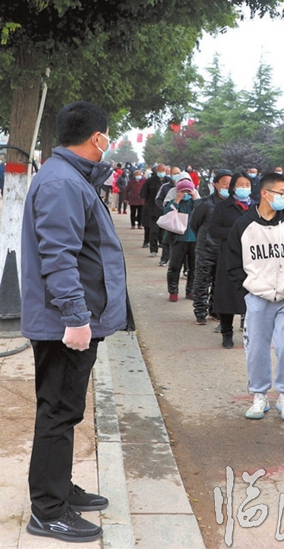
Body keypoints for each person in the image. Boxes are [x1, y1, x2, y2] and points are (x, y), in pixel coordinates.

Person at [20, 101, 134, 543]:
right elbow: (58, 256)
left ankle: (58, 487)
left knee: (65, 409)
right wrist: (75, 317)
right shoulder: (63, 182)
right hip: (63, 324)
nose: (109, 142)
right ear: (96, 137)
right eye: (108, 136)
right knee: (57, 412)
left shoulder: (69, 177)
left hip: (70, 319)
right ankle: (48, 510)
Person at [227, 173, 284, 420]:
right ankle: (259, 395)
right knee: (257, 349)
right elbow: (232, 262)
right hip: (257, 297)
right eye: (281, 193)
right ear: (265, 193)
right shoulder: (243, 226)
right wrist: (247, 289)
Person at [209, 172, 252, 348]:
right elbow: (213, 230)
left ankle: (250, 332)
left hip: (252, 258)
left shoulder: (256, 206)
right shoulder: (223, 207)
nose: (244, 188)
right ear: (233, 187)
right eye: (240, 185)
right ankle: (227, 333)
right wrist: (236, 233)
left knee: (251, 296)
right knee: (227, 296)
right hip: (229, 256)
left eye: (247, 185)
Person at [191, 169, 232, 325]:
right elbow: (194, 224)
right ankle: (200, 311)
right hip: (206, 248)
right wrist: (205, 239)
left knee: (220, 282)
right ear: (216, 184)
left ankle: (215, 310)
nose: (227, 187)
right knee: (202, 281)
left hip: (225, 249)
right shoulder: (205, 203)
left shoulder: (233, 204)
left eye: (230, 184)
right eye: (224, 183)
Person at [165, 177, 198, 302]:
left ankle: (191, 290)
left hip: (194, 239)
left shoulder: (195, 203)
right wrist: (177, 201)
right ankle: (173, 291)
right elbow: (167, 214)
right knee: (174, 266)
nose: (186, 194)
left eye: (188, 191)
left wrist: (195, 198)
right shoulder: (174, 203)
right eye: (183, 191)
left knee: (194, 267)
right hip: (178, 239)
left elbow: (203, 213)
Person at [140, 163, 166, 257]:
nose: (162, 172)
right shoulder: (150, 181)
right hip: (153, 209)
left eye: (163, 171)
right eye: (160, 171)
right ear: (156, 171)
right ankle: (153, 249)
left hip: (165, 210)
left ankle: (165, 251)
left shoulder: (168, 181)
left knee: (164, 232)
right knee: (154, 231)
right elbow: (143, 194)